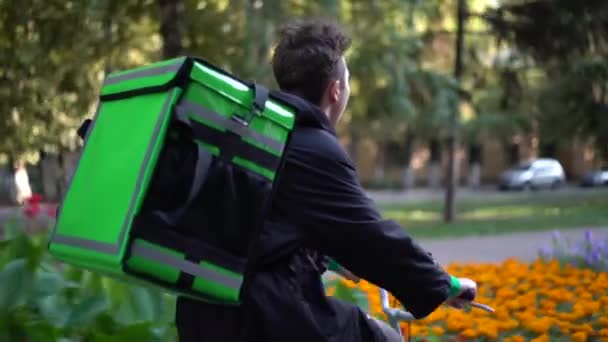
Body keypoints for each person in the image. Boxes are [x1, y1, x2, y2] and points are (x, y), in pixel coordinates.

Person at [176, 18, 477, 342]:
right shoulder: (314, 146)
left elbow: (261, 225)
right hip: (267, 318)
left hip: (205, 312)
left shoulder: (255, 135)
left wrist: (328, 257)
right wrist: (442, 283)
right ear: (335, 91)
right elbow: (371, 236)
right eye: (347, 82)